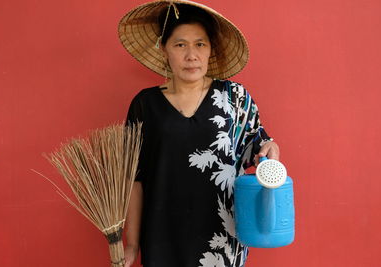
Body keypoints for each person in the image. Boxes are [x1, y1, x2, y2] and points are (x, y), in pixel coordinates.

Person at [118, 1, 280, 266]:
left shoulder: (234, 97)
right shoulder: (145, 104)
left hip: (222, 237)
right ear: (164, 49)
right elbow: (135, 180)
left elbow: (259, 144)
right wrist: (133, 243)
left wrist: (270, 147)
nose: (191, 55)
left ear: (210, 50)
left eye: (200, 44)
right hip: (162, 235)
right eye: (180, 45)